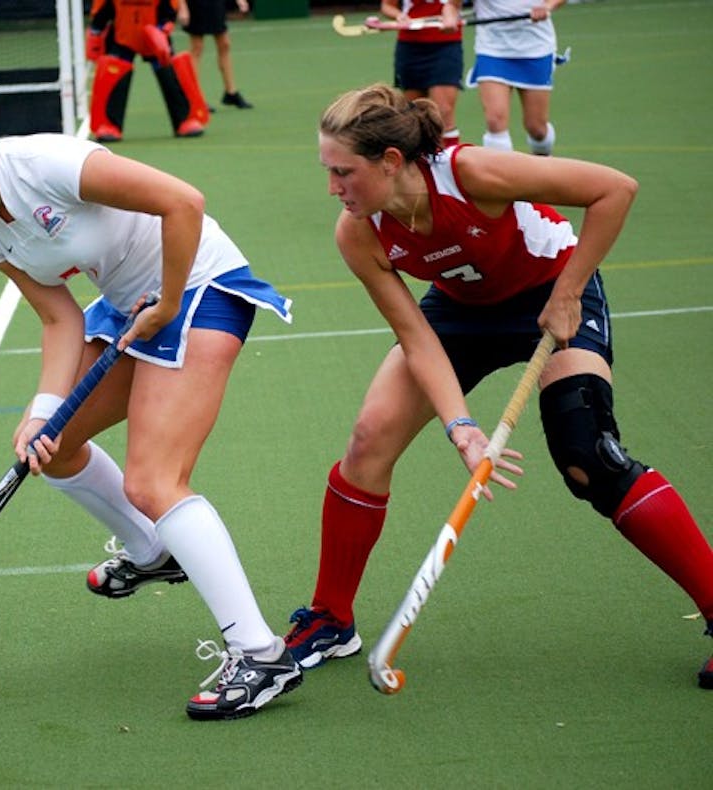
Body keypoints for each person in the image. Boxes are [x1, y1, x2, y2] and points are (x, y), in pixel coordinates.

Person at [0, 82, 304, 718]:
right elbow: (57, 319)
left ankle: (261, 655)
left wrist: (170, 299)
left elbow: (182, 203)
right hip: (130, 304)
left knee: (154, 480)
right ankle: (153, 552)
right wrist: (44, 409)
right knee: (54, 447)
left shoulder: (45, 164)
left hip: (198, 283)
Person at [283, 82, 713, 691]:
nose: (332, 188)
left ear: (390, 162)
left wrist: (568, 294)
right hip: (461, 311)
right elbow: (418, 337)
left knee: (587, 455)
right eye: (327, 171)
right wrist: (461, 428)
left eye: (342, 172)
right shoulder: (359, 233)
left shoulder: (472, 174)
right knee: (369, 438)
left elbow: (615, 190)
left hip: (552, 289)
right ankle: (330, 618)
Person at [85, 0, 208, 141]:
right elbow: (102, 12)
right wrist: (95, 32)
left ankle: (185, 120)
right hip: (122, 36)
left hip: (155, 38)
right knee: (114, 76)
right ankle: (108, 124)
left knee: (170, 73)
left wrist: (163, 29)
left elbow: (169, 11)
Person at [466, 0, 567, 154]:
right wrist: (450, 13)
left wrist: (547, 6)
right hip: (492, 49)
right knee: (495, 122)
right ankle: (504, 176)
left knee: (537, 129)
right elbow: (452, 6)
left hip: (535, 49)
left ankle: (543, 168)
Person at [377, 0, 464, 147]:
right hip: (410, 46)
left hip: (446, 45)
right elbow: (387, 6)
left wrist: (451, 15)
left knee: (443, 111)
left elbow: (454, 5)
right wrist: (400, 16)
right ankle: (419, 165)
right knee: (413, 113)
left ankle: (449, 163)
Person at [178, 0, 253, 110]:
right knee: (197, 47)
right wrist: (182, 7)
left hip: (215, 4)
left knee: (224, 44)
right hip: (196, 5)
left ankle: (231, 92)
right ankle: (194, 98)